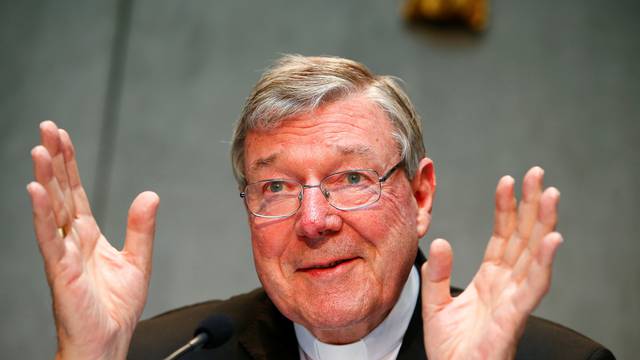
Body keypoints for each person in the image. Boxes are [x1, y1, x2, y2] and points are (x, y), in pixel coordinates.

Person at [27, 55, 614, 359]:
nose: (314, 222)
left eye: (352, 178)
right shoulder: (166, 357)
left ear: (421, 194)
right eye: (277, 188)